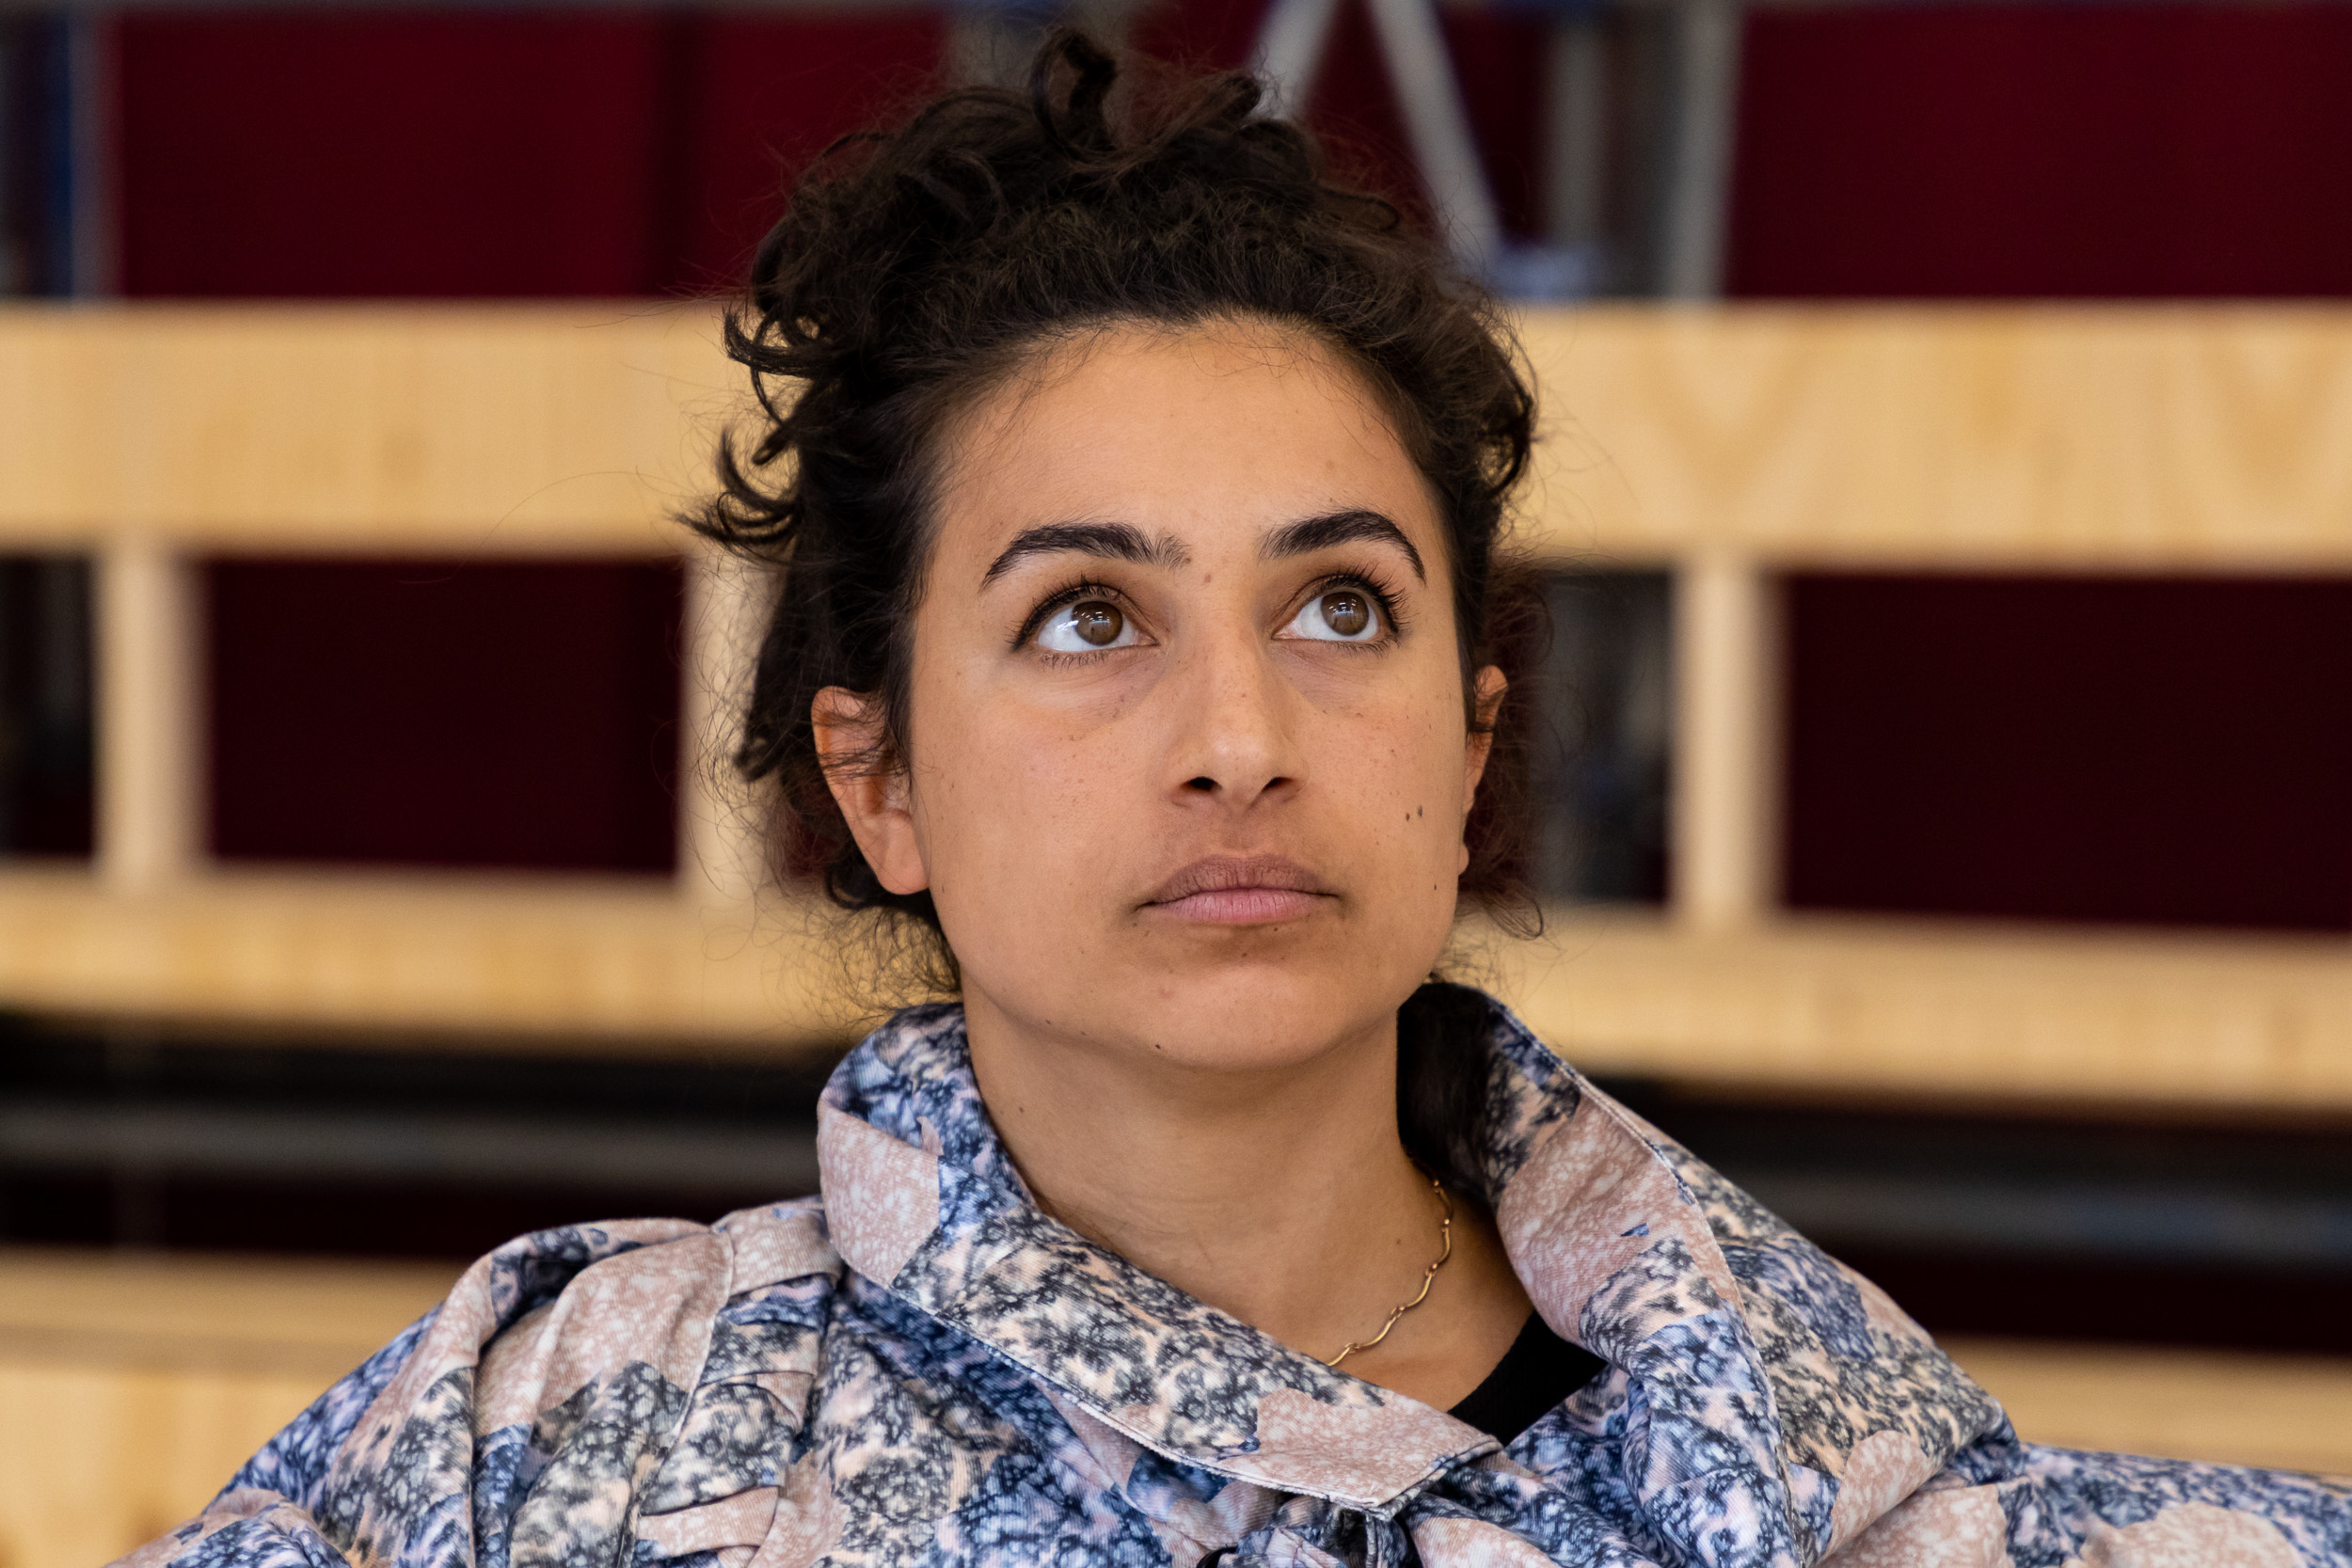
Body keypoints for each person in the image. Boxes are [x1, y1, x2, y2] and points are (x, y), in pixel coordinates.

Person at [123, 33, 2346, 1568]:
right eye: (1087, 616)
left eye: (1340, 608)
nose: (1239, 734)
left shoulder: (1851, 1485)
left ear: (1464, 752)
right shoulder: (555, 1438)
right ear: (877, 783)